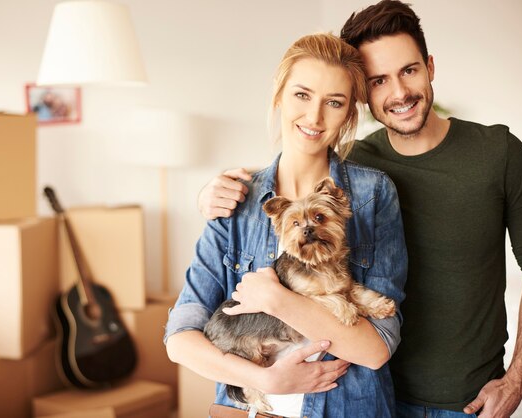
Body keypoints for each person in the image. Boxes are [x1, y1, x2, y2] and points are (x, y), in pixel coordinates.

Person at [197, 1, 522, 417]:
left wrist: (518, 377)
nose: (398, 93)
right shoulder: (355, 171)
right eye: (378, 80)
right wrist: (210, 194)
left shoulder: (495, 153)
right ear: (363, 93)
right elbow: (289, 182)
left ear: (430, 66)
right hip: (366, 392)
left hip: (465, 400)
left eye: (409, 70)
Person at [165, 33, 408, 418]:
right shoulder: (234, 199)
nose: (314, 117)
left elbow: (375, 349)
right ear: (278, 95)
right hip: (248, 411)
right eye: (302, 95)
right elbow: (179, 340)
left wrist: (278, 300)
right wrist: (266, 380)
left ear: (348, 114)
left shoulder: (372, 194)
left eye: (334, 102)